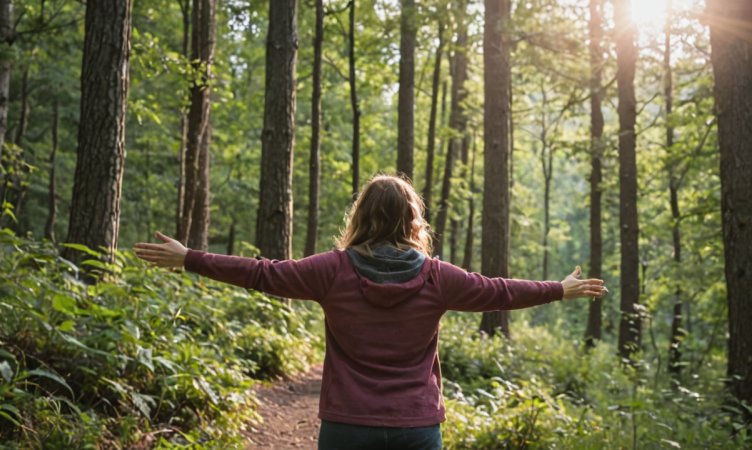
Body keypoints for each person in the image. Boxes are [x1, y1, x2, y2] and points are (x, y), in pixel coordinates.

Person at [133, 174, 606, 450]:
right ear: (412, 220)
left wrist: (190, 257)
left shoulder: (332, 270)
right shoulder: (438, 277)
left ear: (360, 215)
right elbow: (499, 291)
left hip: (347, 427)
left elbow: (263, 273)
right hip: (417, 428)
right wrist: (558, 290)